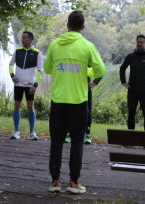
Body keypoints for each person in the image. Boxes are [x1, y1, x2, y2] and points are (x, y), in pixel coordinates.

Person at [44, 11, 105, 194]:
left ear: (67, 24)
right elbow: (100, 69)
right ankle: (74, 181)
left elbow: (47, 68)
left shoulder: (55, 45)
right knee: (77, 142)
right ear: (83, 27)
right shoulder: (87, 46)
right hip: (78, 101)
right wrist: (86, 74)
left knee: (56, 141)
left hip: (58, 100)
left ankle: (55, 181)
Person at [9, 31, 43, 140]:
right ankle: (16, 131)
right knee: (17, 106)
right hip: (18, 84)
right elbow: (10, 65)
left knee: (30, 107)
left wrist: (35, 85)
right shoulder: (17, 51)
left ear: (30, 39)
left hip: (30, 85)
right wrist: (12, 75)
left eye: (24, 38)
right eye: (22, 38)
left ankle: (32, 132)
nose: (22, 40)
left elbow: (40, 71)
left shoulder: (37, 53)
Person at [64, 68, 102, 144]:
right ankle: (68, 134)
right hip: (72, 88)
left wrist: (95, 82)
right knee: (70, 109)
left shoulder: (88, 57)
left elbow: (100, 69)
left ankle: (87, 135)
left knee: (87, 111)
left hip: (85, 88)